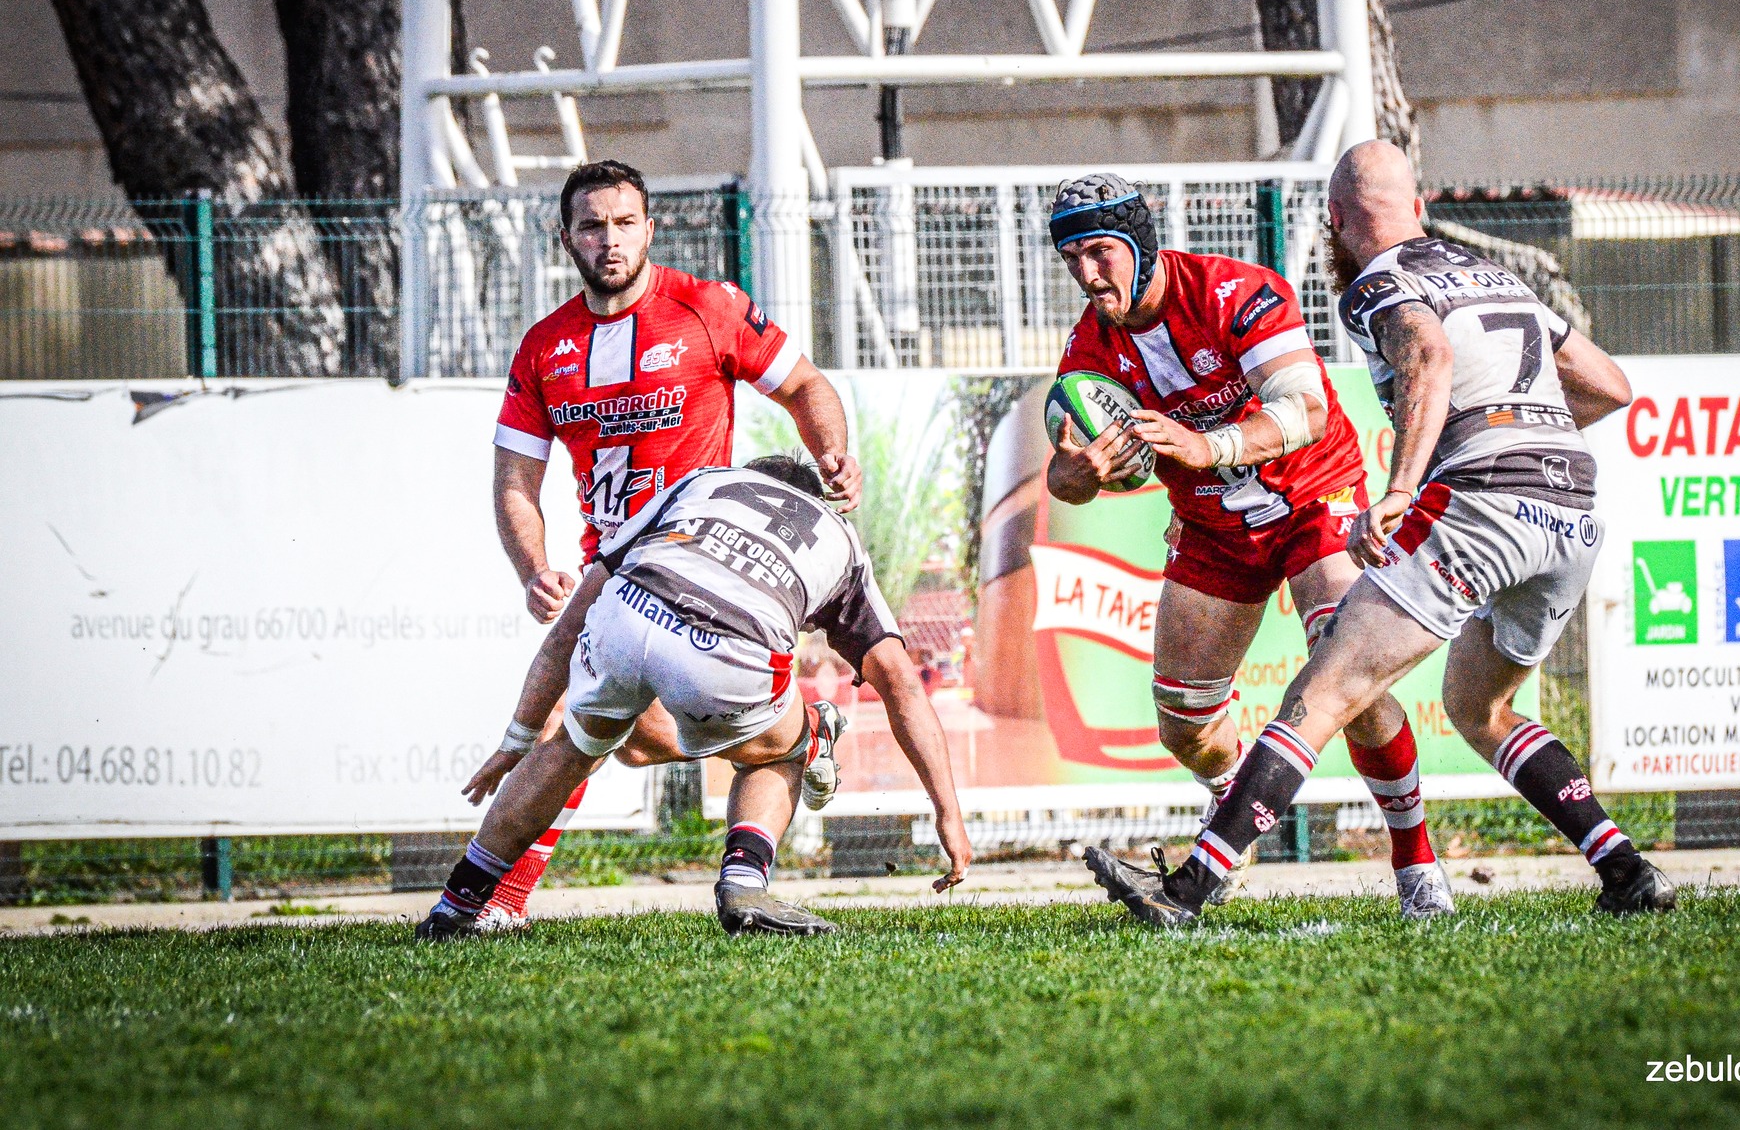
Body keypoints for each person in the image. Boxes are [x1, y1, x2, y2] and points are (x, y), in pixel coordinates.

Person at [1084, 140, 1671, 926]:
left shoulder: (1377, 282)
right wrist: (1530, 435)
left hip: (1485, 502)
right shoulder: (1498, 277)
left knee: (1320, 693)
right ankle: (1626, 869)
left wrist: (1402, 488)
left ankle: (1187, 891)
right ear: (1420, 207)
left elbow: (1424, 352)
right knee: (1479, 708)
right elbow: (1610, 385)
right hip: (1571, 508)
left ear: (1332, 222)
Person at [1044, 171, 1452, 917]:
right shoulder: (1086, 349)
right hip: (1211, 528)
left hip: (1314, 497)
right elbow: (1071, 480)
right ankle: (1234, 816)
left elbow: (1303, 408)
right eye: (1070, 259)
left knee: (1349, 676)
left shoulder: (1237, 291)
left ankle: (1416, 864)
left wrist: (1205, 446)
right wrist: (1075, 475)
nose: (1086, 273)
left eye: (1100, 252)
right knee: (1185, 727)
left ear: (1141, 242)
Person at [483, 158, 863, 929]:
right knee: (634, 742)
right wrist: (534, 570)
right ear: (567, 240)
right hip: (610, 571)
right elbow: (515, 480)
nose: (610, 240)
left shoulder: (708, 308)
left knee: (565, 719)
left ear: (650, 230)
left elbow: (806, 388)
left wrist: (830, 455)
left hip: (703, 561)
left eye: (625, 223)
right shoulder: (544, 348)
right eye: (592, 226)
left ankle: (499, 903)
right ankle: (802, 730)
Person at [418, 456, 971, 940]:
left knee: (571, 748)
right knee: (787, 747)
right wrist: (947, 811)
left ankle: (457, 904)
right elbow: (898, 681)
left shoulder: (700, 484)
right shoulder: (839, 539)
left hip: (630, 610)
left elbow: (571, 625)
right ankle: (744, 881)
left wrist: (517, 738)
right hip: (726, 649)